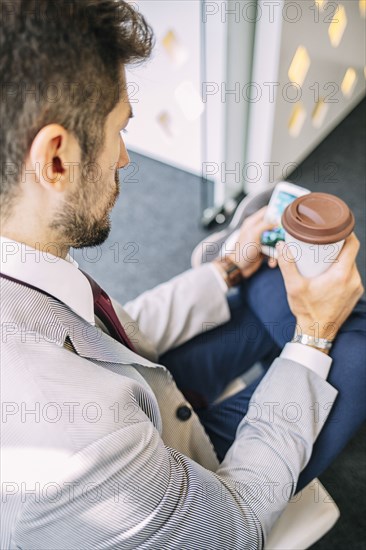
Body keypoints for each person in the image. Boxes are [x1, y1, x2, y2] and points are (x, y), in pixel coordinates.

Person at [0, 1, 364, 548]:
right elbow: (235, 527)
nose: (124, 157)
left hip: (143, 395)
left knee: (260, 281)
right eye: (121, 129)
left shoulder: (21, 255)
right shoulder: (74, 453)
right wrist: (313, 336)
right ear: (56, 159)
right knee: (353, 341)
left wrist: (222, 269)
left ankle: (281, 335)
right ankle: (305, 342)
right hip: (195, 483)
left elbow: (102, 336)